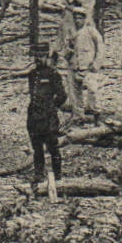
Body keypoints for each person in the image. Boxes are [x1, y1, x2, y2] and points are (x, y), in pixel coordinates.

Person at [26, 45, 69, 197]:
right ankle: (39, 175)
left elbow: (62, 96)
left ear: (47, 56)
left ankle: (57, 177)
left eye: (42, 55)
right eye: (37, 56)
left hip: (49, 117)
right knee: (37, 147)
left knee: (53, 147)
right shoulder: (32, 74)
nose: (39, 59)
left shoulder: (53, 74)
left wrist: (51, 107)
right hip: (34, 116)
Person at [67, 3, 103, 123]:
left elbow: (101, 48)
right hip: (74, 67)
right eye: (76, 18)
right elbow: (66, 51)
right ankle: (78, 117)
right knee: (75, 94)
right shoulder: (71, 33)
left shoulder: (91, 31)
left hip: (88, 67)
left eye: (80, 18)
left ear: (85, 18)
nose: (78, 20)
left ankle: (96, 115)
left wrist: (96, 64)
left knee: (93, 91)